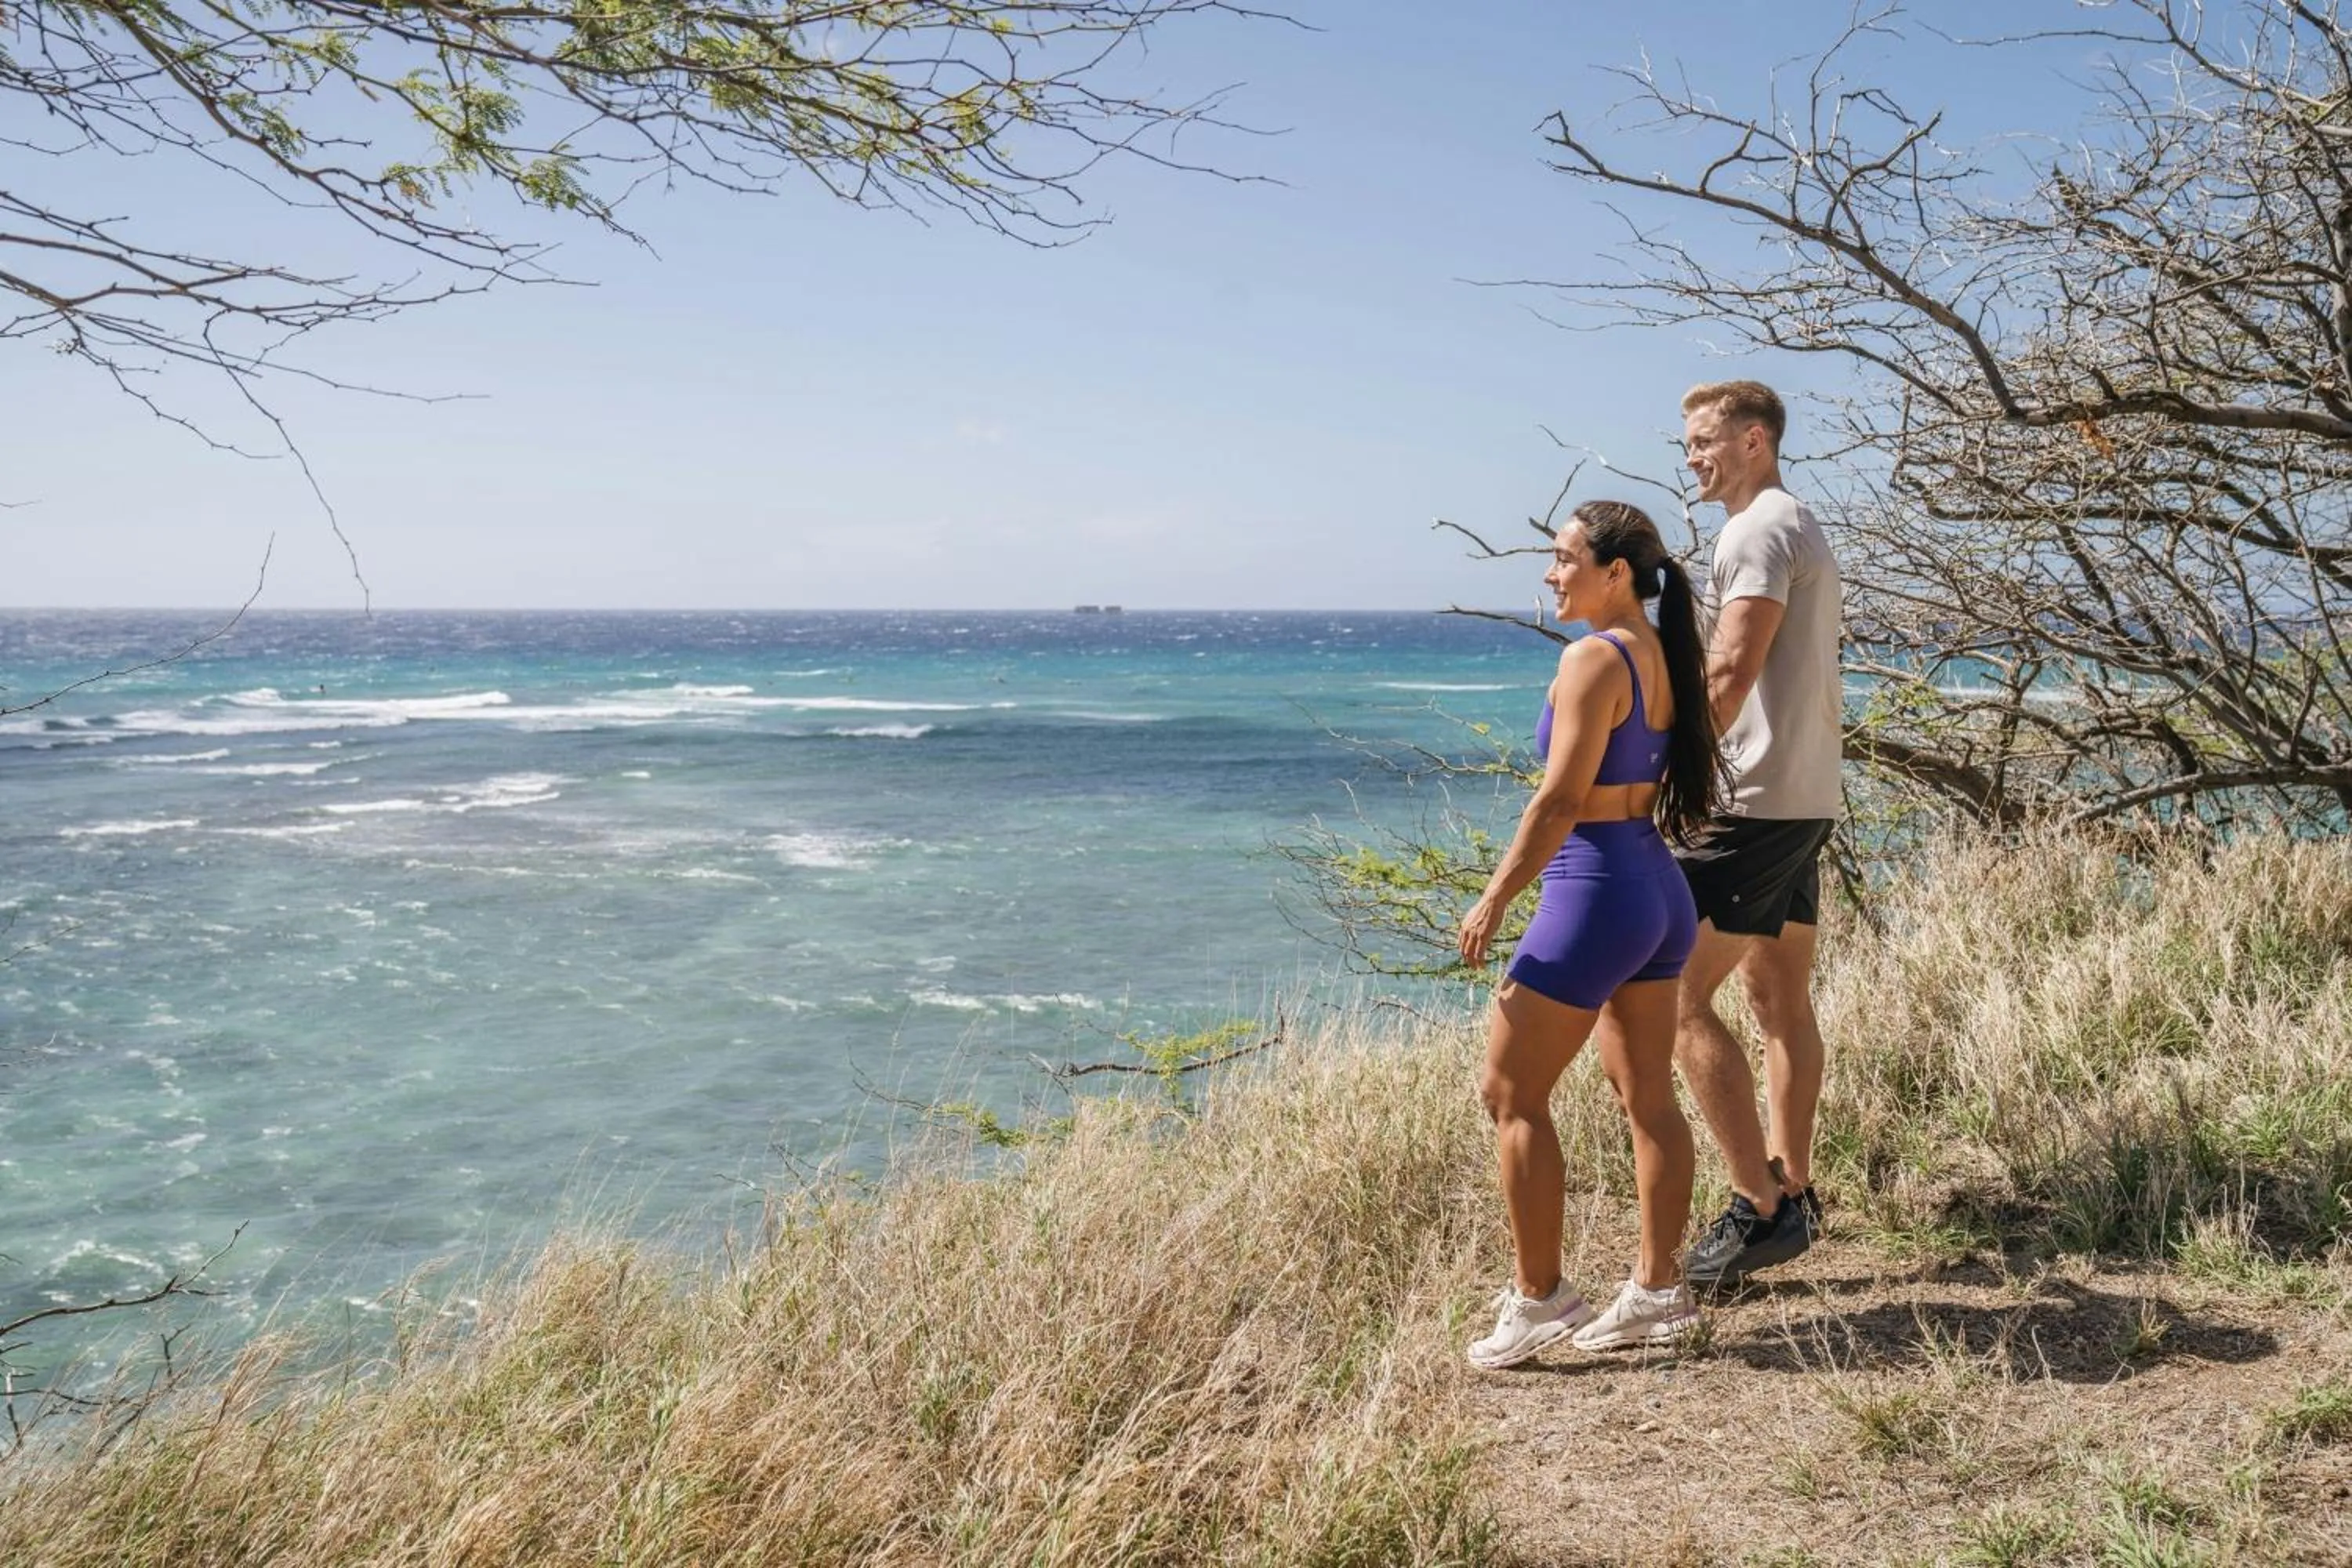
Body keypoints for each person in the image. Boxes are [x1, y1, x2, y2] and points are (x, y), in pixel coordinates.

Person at [1458, 499, 1724, 1367]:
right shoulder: (1661, 649)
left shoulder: (1591, 658)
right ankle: (1658, 1289)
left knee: (1510, 1091)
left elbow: (1560, 799)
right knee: (1647, 1091)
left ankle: (1540, 1299)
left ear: (1616, 572)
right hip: (1655, 886)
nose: (1550, 572)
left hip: (1595, 890)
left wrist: (1496, 896)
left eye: (1565, 557)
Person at [1670, 379, 1846, 1290]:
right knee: (1778, 997)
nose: (1691, 457)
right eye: (1687, 442)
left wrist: (1668, 777)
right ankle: (1796, 1188)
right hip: (1803, 794)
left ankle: (1757, 1205)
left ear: (1753, 440)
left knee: (1673, 996)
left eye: (1703, 440)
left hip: (1753, 801)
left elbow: (1733, 667)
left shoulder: (1757, 530)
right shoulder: (1794, 521)